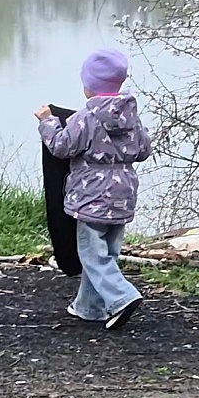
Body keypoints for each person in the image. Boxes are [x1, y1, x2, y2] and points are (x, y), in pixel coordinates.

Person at [34, 49, 152, 330]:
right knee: (106, 253)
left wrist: (48, 122)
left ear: (89, 85)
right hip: (123, 194)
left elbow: (61, 147)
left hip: (92, 195)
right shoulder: (131, 117)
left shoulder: (85, 118)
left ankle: (123, 297)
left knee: (91, 254)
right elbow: (144, 150)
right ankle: (89, 307)